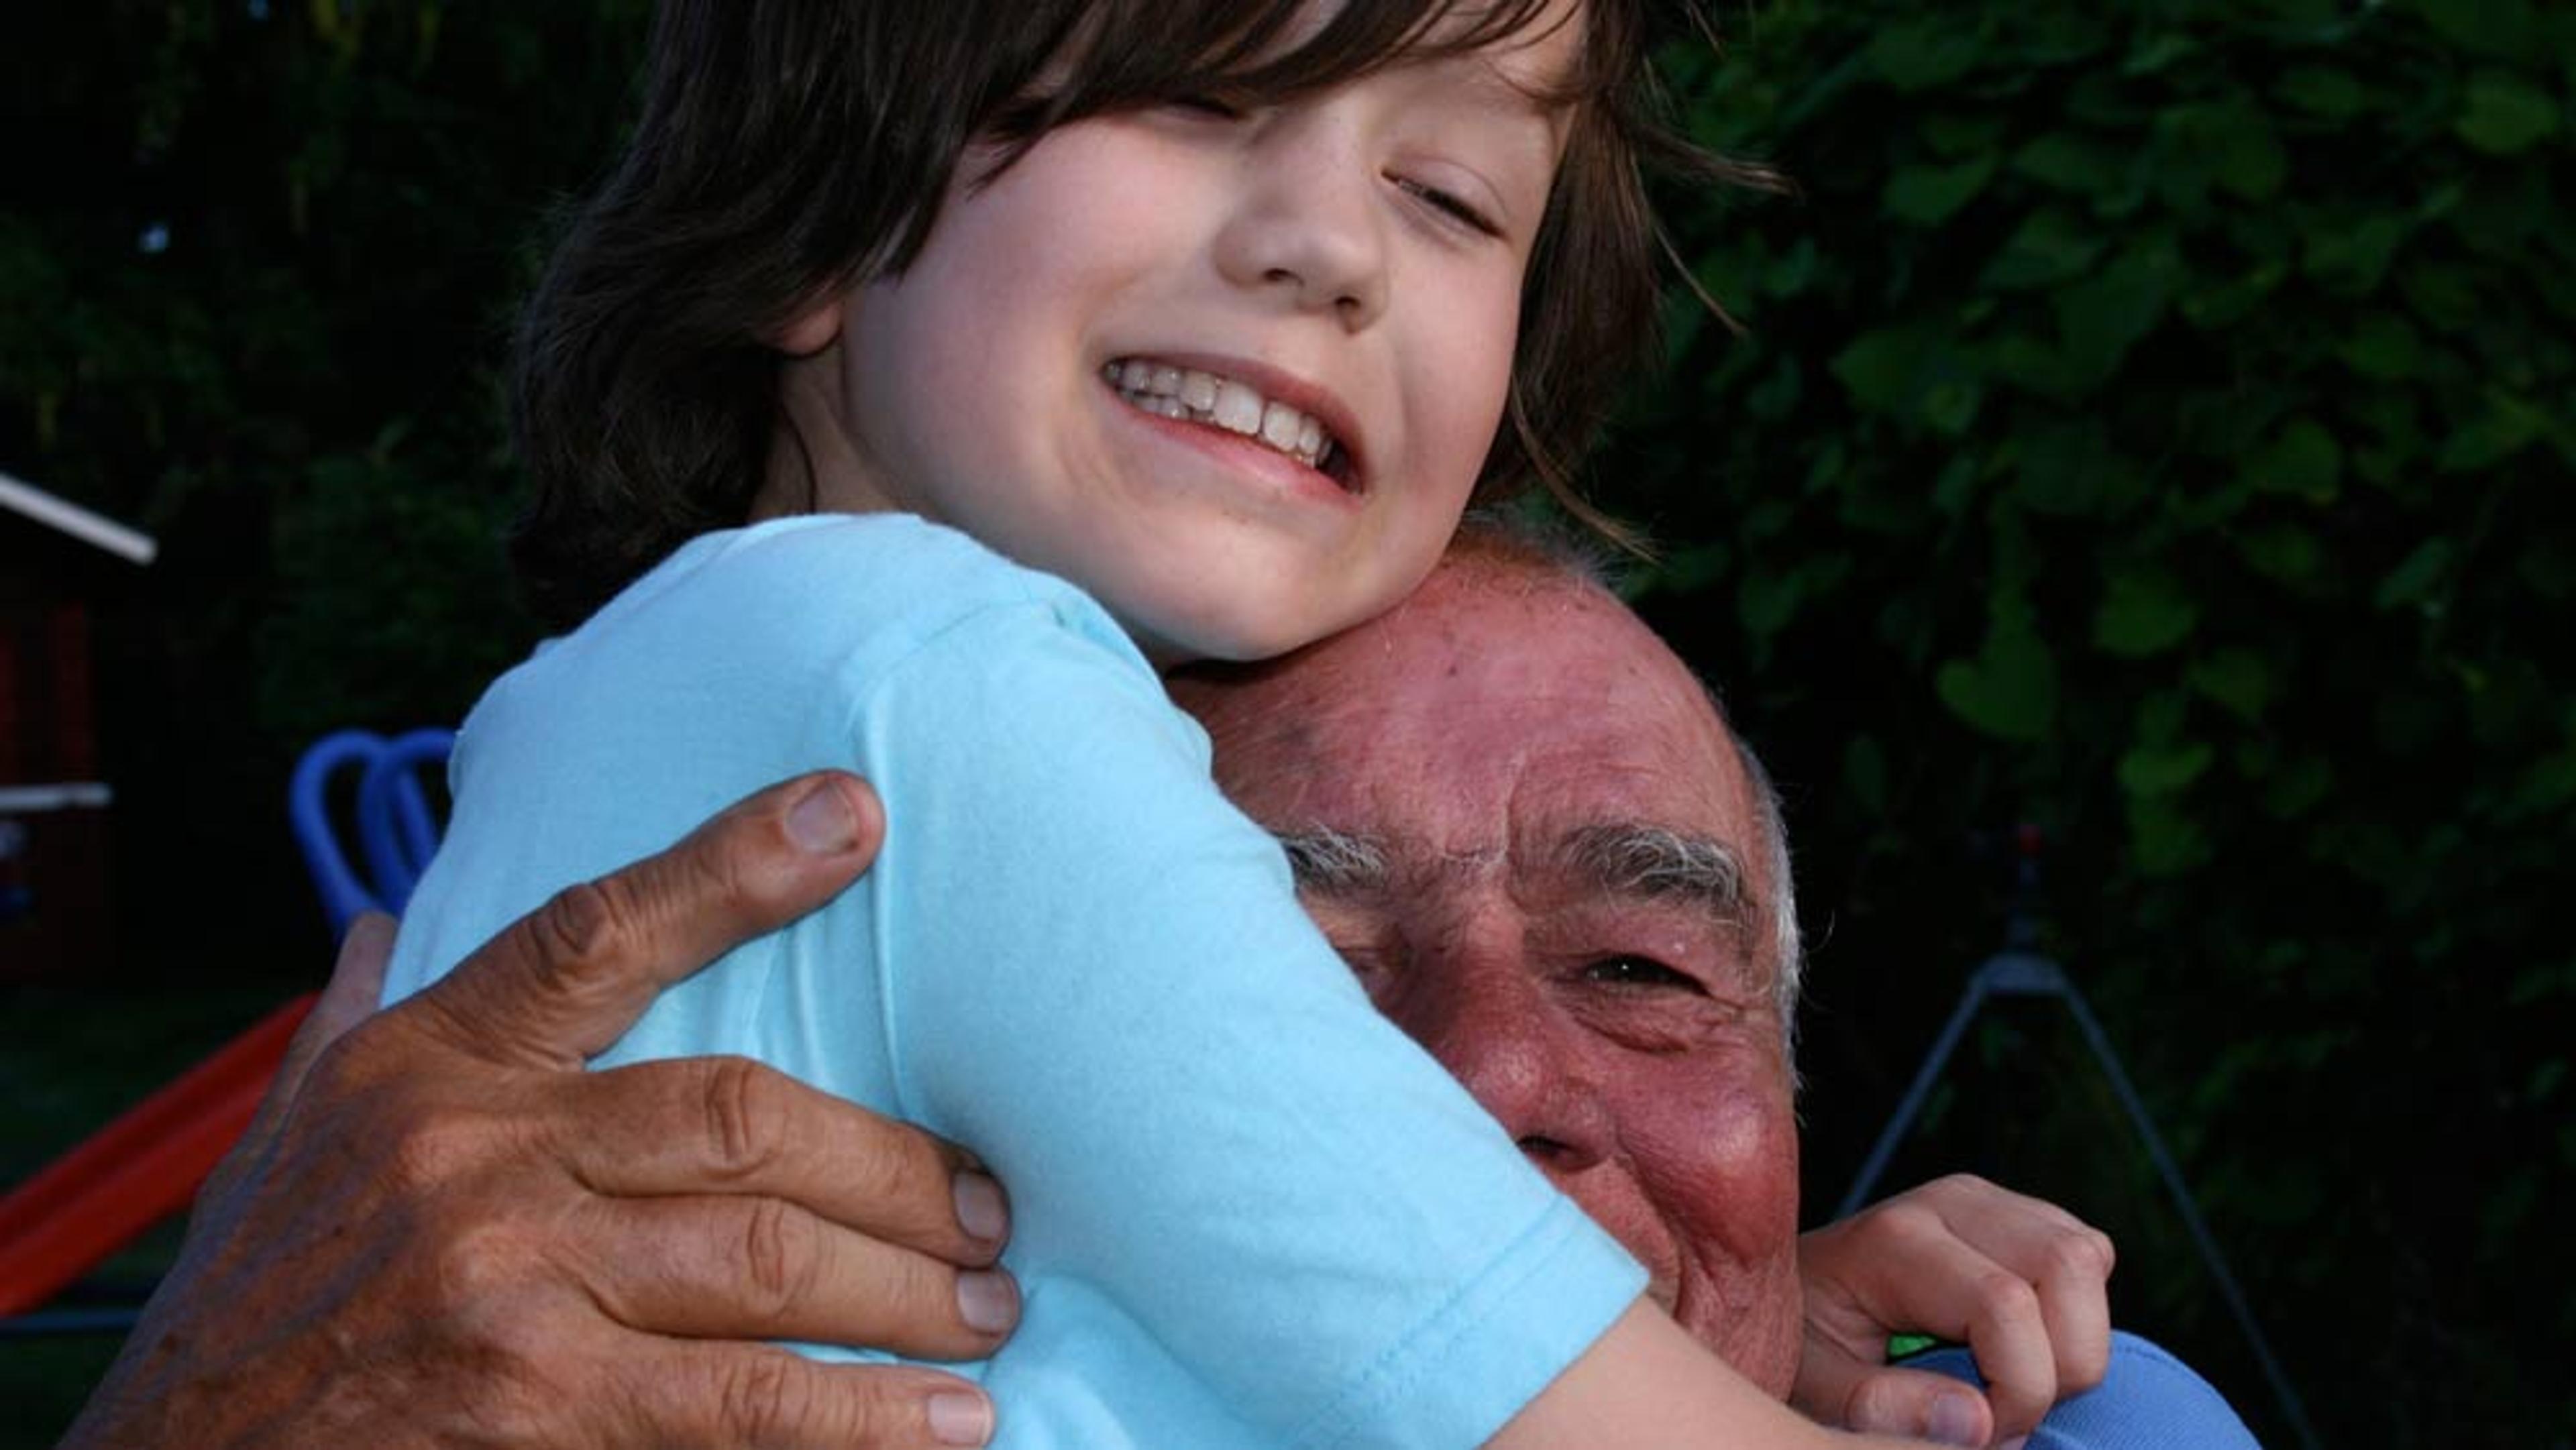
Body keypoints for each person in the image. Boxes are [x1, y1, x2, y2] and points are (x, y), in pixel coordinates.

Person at [376, 0, 1913, 1445]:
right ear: (818, 202)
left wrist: (1752, 1320)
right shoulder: (957, 695)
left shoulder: (594, 701)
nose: (1334, 249)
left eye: (1449, 196)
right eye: (1195, 91)